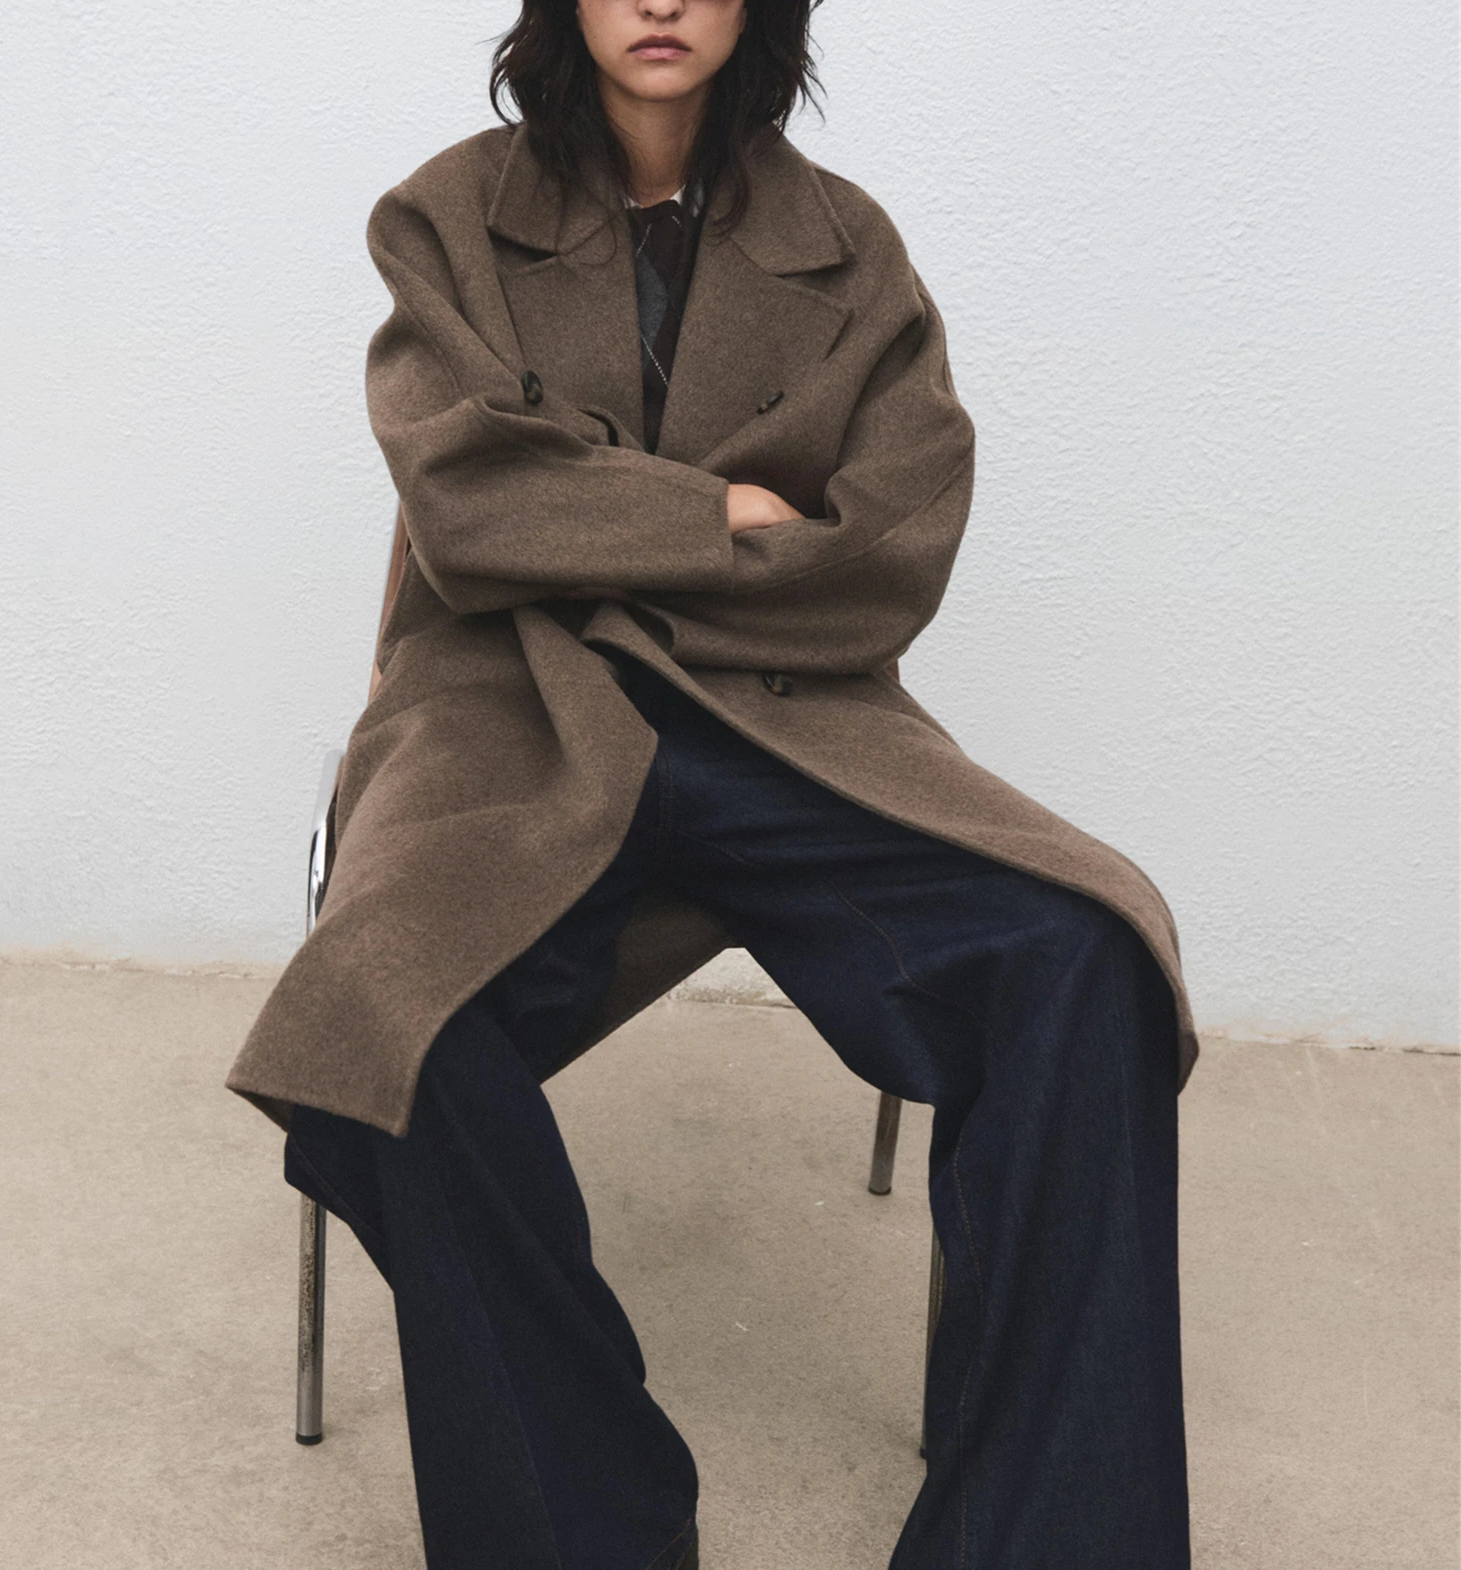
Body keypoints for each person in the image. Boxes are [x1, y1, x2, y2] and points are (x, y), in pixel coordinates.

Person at [227, 1, 1200, 1565]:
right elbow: (465, 504)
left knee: (1088, 951)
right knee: (387, 1016)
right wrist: (720, 514)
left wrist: (587, 520)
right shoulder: (446, 216)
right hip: (508, 713)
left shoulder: (850, 251)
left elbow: (892, 550)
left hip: (788, 720)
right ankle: (589, 1527)